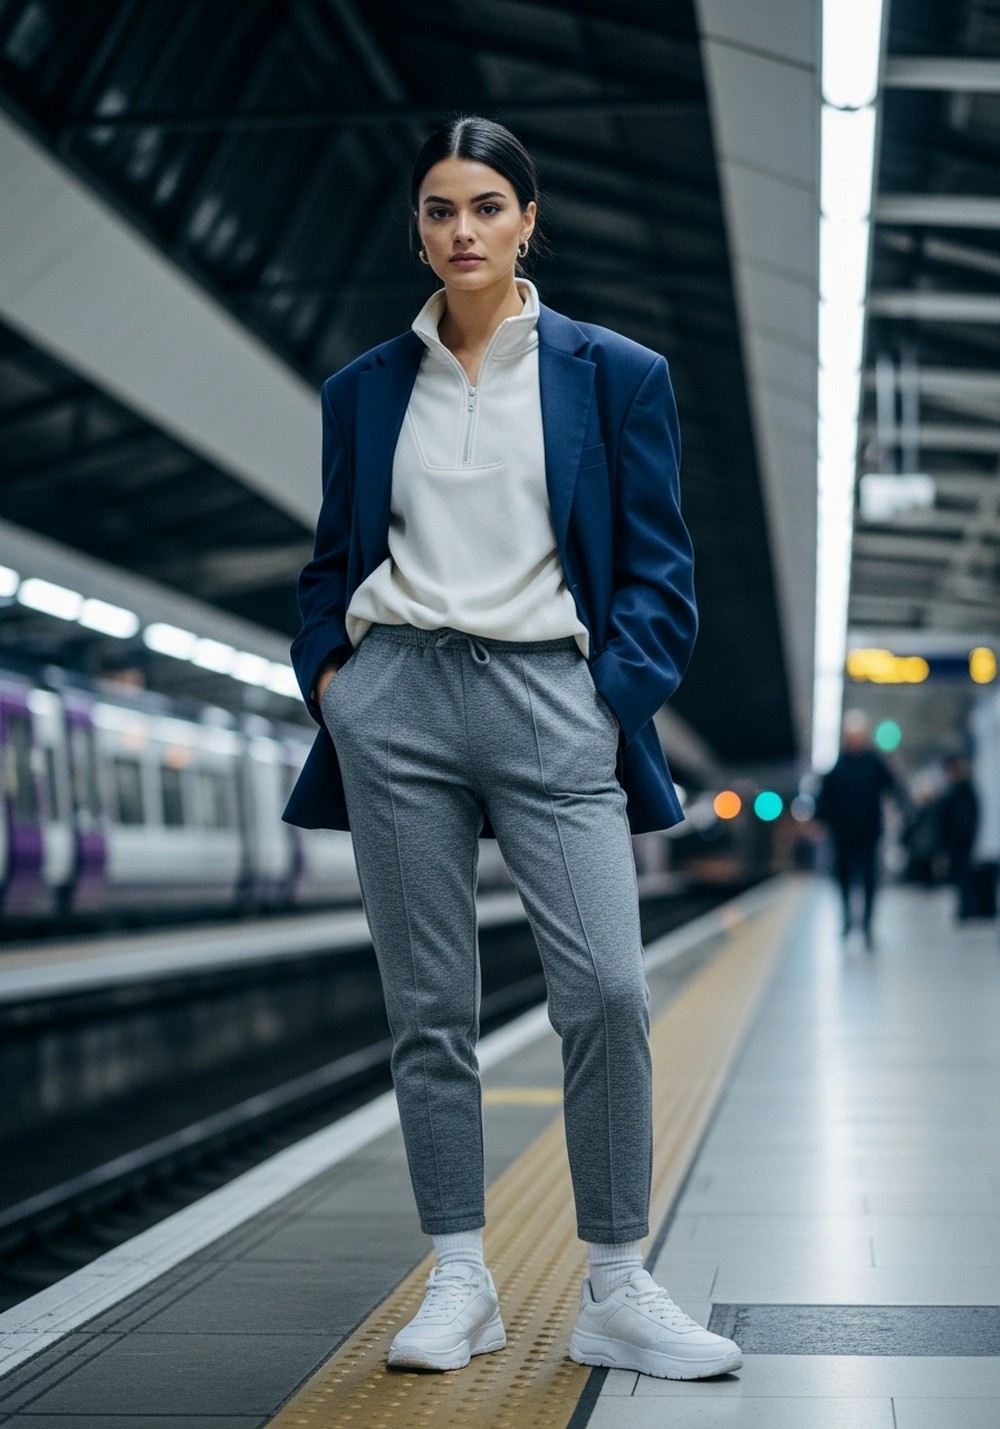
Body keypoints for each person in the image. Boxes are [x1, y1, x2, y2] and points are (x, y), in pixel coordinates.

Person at [283, 115, 741, 1383]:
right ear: (418, 229)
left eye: (486, 206)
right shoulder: (366, 388)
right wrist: (336, 681)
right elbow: (331, 558)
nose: (462, 231)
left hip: (553, 697)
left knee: (607, 990)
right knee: (430, 1007)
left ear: (528, 219)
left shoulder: (614, 372)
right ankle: (460, 1279)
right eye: (439, 210)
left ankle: (614, 1284)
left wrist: (608, 697)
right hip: (400, 702)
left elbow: (659, 565)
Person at [816, 711, 902, 945]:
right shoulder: (838, 765)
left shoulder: (875, 763)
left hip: (869, 831)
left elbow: (893, 787)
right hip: (843, 833)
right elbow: (825, 797)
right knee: (843, 876)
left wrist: (902, 809)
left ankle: (866, 924)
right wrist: (823, 822)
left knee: (869, 878)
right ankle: (846, 918)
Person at [936, 755, 979, 920]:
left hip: (964, 839)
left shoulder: (964, 789)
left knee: (964, 875)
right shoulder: (951, 789)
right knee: (959, 875)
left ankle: (967, 908)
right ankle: (964, 907)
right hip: (954, 840)